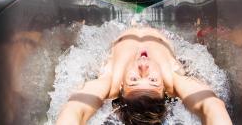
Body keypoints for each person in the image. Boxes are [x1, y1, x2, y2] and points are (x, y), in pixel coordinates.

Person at [56, 27, 232, 125]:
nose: (143, 67)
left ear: (122, 88)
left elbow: (74, 108)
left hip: (121, 27)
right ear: (164, 89)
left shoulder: (111, 82)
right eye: (153, 80)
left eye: (134, 79)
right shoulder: (172, 79)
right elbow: (212, 105)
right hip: (161, 29)